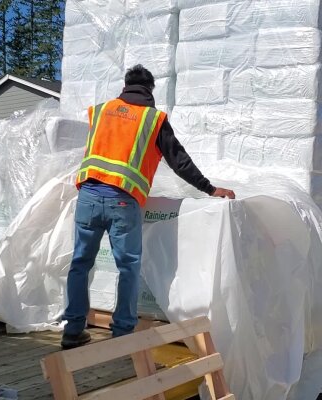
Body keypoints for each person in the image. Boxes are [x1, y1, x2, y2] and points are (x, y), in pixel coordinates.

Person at [61, 64, 235, 349]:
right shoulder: (152, 118)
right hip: (122, 200)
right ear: (150, 90)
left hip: (88, 195)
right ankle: (122, 335)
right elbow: (178, 159)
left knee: (80, 263)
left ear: (125, 85)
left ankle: (73, 330)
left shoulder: (100, 111)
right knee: (128, 267)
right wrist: (210, 188)